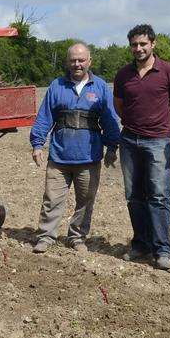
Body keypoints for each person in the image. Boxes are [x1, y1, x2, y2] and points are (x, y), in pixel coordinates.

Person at [29, 42, 121, 254]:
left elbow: (110, 120)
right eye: (73, 60)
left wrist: (112, 147)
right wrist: (37, 144)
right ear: (67, 62)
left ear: (90, 61)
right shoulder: (57, 86)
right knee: (52, 199)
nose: (77, 64)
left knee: (85, 201)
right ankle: (45, 237)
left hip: (89, 158)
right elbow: (44, 117)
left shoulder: (100, 88)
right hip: (59, 157)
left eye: (81, 60)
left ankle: (77, 237)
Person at [113, 24, 170, 270]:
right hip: (129, 140)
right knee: (134, 196)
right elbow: (119, 106)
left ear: (153, 44)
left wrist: (164, 126)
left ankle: (162, 249)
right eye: (134, 44)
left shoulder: (168, 71)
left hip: (157, 142)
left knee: (158, 196)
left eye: (143, 44)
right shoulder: (124, 75)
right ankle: (141, 244)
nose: (138, 48)